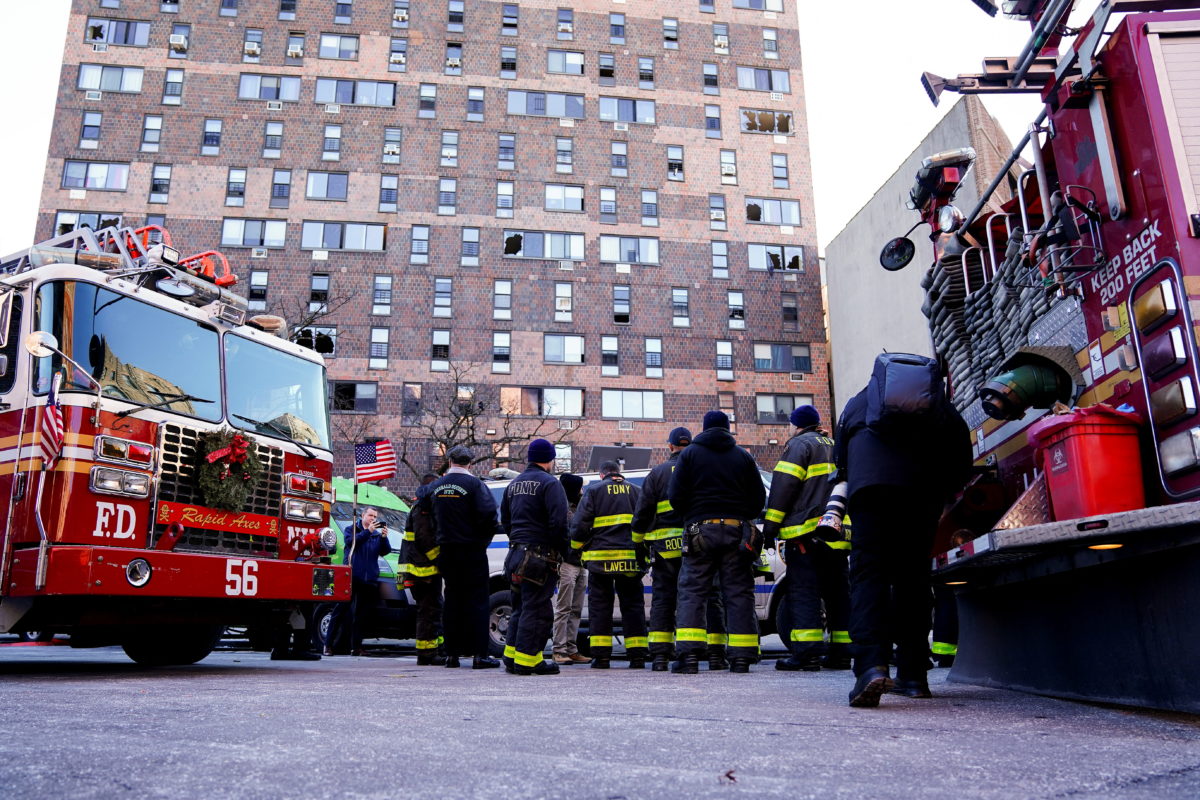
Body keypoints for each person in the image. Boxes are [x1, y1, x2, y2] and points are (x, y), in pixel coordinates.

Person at [835, 353, 972, 707]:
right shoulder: (938, 404)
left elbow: (842, 461)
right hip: (921, 496)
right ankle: (913, 675)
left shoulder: (859, 402)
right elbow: (961, 457)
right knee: (914, 578)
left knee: (869, 577)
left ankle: (871, 667)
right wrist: (945, 494)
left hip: (870, 494)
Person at [667, 411, 766, 674]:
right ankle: (742, 658)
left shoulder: (689, 455)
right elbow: (758, 498)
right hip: (736, 531)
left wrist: (693, 515)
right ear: (727, 429)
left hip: (700, 530)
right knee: (738, 593)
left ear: (704, 429)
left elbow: (674, 496)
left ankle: (688, 657)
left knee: (693, 591)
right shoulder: (743, 456)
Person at [633, 427, 729, 672]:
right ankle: (716, 654)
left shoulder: (657, 473)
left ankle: (660, 657)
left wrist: (638, 541)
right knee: (708, 597)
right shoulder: (702, 468)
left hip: (664, 549)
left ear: (670, 446)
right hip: (699, 543)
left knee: (664, 600)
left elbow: (643, 511)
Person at [762, 405, 850, 672]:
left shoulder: (799, 446)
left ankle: (807, 653)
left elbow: (784, 487)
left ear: (796, 425)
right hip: (836, 532)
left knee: (804, 592)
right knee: (838, 593)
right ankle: (841, 652)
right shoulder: (835, 444)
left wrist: (770, 527)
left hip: (805, 535)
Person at [500, 438, 569, 676]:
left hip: (515, 556)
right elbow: (559, 523)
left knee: (519, 607)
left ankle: (511, 657)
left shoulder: (513, 484)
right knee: (538, 610)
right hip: (540, 559)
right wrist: (565, 551)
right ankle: (529, 661)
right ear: (550, 459)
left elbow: (506, 521)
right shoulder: (550, 484)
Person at [570, 460, 648, 669]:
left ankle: (601, 657)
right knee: (633, 608)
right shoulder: (637, 491)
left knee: (600, 608)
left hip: (600, 562)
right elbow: (646, 523)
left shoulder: (594, 492)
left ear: (601, 474)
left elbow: (580, 525)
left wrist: (576, 548)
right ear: (618, 472)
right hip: (630, 562)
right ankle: (638, 655)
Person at [429, 446, 501, 669]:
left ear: (450, 461)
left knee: (452, 602)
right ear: (470, 463)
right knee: (478, 602)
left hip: (447, 552)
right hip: (472, 552)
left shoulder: (436, 486)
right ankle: (480, 655)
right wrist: (481, 543)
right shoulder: (476, 485)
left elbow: (428, 516)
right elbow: (490, 515)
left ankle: (452, 655)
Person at [326, 506, 392, 657]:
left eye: (375, 517)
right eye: (370, 515)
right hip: (351, 577)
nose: (373, 519)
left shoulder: (375, 535)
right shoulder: (351, 530)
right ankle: (328, 645)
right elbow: (351, 543)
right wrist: (367, 532)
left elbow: (385, 551)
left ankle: (356, 647)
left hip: (368, 580)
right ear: (362, 515)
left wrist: (383, 537)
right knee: (340, 610)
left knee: (361, 615)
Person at [401, 473, 445, 665]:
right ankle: (426, 654)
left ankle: (435, 648)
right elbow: (425, 539)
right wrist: (440, 559)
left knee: (434, 608)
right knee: (428, 611)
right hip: (423, 571)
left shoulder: (421, 506)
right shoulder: (422, 508)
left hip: (424, 569)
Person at [551, 473, 590, 666]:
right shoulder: (561, 507)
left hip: (581, 562)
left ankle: (571, 648)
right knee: (564, 608)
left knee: (575, 609)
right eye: (580, 488)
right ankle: (559, 650)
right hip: (567, 563)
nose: (582, 491)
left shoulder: (580, 506)